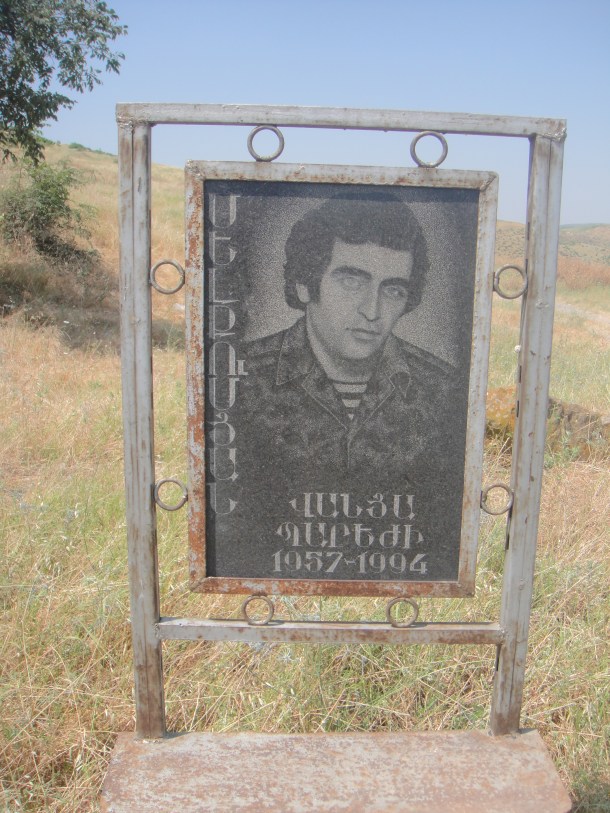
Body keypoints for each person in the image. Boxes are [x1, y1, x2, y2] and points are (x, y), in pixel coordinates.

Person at [209, 193, 468, 582]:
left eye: (393, 289)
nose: (372, 311)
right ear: (304, 284)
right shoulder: (240, 378)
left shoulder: (443, 388)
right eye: (351, 280)